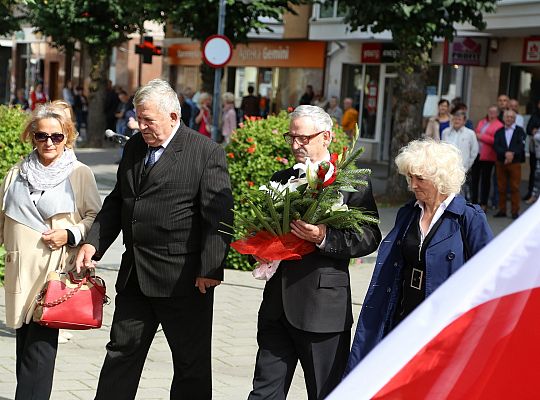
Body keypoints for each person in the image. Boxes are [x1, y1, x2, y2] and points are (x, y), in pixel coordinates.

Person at [76, 79, 233, 400]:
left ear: (174, 117)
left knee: (191, 363)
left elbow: (219, 217)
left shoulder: (205, 152)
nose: (141, 126)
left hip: (184, 280)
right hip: (135, 276)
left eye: (149, 120)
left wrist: (211, 268)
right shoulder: (135, 147)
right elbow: (119, 200)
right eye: (139, 118)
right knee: (121, 352)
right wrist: (93, 243)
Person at [248, 105, 382, 400]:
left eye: (303, 138)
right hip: (276, 306)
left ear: (327, 137)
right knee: (263, 394)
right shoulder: (280, 178)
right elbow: (258, 230)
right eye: (291, 137)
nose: (296, 145)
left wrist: (323, 236)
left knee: (326, 393)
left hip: (322, 311)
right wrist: (258, 251)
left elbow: (369, 236)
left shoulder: (350, 180)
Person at [345, 139, 493, 374]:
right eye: (410, 177)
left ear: (441, 178)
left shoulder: (468, 217)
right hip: (403, 316)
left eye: (420, 179)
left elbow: (490, 275)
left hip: (443, 324)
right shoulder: (408, 213)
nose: (412, 185)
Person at [0, 102, 101, 399]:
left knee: (40, 348)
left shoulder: (79, 173)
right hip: (20, 270)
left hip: (53, 272)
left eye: (56, 137)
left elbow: (94, 215)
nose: (49, 143)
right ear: (32, 137)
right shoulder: (17, 172)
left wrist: (70, 234)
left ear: (67, 137)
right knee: (24, 345)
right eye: (42, 136)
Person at [493, 109, 526, 219]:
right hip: (501, 162)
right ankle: (502, 210)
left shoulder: (520, 131)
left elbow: (521, 145)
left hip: (515, 163)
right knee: (501, 187)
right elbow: (496, 146)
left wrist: (512, 154)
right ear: (504, 118)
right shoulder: (499, 131)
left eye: (512, 117)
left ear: (515, 119)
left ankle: (515, 212)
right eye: (507, 117)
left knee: (514, 188)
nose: (509, 119)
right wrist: (505, 154)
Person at [472, 105, 503, 211]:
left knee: (485, 180)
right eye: (490, 111)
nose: (491, 113)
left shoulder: (499, 125)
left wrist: (482, 137)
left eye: (494, 112)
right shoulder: (482, 122)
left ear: (498, 113)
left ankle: (483, 203)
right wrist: (477, 135)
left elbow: (497, 140)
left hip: (488, 156)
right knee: (474, 178)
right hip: (477, 153)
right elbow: (476, 132)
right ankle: (474, 201)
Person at [524, 99, 540, 201]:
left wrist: (537, 130)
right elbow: (529, 130)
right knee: (534, 172)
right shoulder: (534, 116)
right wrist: (533, 131)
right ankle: (531, 193)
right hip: (535, 150)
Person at [527, 128, 540, 204]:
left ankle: (534, 196)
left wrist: (535, 134)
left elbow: (536, 137)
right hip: (538, 157)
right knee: (537, 178)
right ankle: (534, 196)